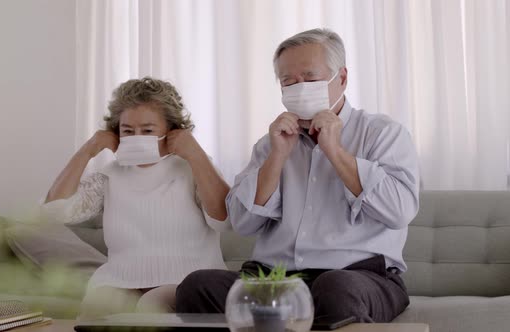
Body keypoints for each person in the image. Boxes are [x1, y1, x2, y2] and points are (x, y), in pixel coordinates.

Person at [176, 28, 420, 323]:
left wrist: (335, 152)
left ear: (341, 78)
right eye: (288, 82)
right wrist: (277, 156)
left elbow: (399, 211)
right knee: (197, 286)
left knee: (335, 289)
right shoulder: (269, 144)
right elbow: (242, 222)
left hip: (360, 277)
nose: (298, 88)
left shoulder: (383, 133)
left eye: (310, 79)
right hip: (275, 280)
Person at [41, 77, 230, 319]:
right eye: (128, 131)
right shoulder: (110, 175)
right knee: (99, 304)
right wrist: (88, 150)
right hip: (120, 280)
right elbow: (55, 212)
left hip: (184, 280)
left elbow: (223, 219)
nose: (136, 137)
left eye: (148, 131)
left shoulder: (191, 168)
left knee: (153, 305)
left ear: (171, 131)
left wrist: (196, 154)